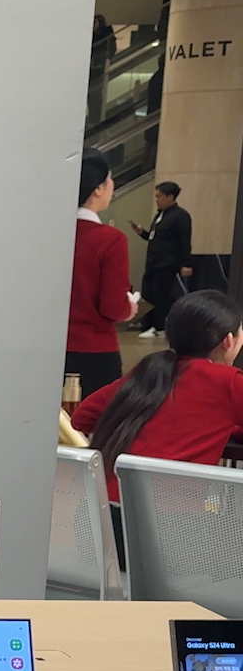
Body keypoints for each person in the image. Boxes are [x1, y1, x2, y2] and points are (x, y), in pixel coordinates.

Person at [71, 289, 243, 566]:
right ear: (229, 341)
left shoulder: (148, 372)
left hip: (98, 524)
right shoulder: (228, 381)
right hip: (170, 532)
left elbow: (82, 417)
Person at [69, 150, 137, 398]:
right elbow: (112, 306)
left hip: (48, 349)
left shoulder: (47, 234)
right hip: (94, 350)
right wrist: (129, 307)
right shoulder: (110, 240)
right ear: (98, 188)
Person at [131, 181, 194, 336]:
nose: (157, 200)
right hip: (153, 262)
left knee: (161, 294)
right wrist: (143, 233)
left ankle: (158, 326)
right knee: (149, 292)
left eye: (159, 196)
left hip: (167, 263)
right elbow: (155, 237)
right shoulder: (160, 215)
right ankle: (149, 323)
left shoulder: (181, 216)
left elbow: (184, 241)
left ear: (170, 197)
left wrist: (186, 264)